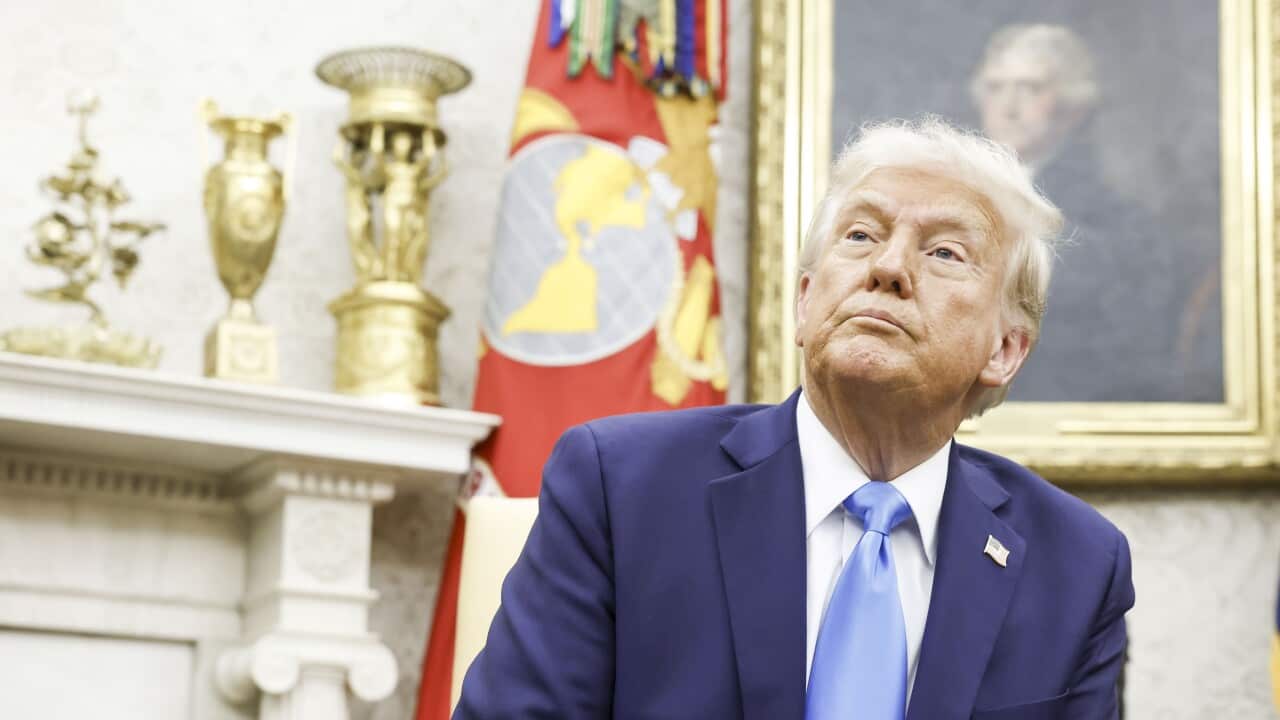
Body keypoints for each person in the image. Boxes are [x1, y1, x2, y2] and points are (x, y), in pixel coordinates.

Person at [455, 119, 1134, 719]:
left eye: (944, 252)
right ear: (806, 304)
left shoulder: (1077, 566)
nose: (888, 266)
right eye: (861, 235)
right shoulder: (619, 488)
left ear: (1005, 349)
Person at [971, 23, 1192, 401]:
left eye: (1030, 88)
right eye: (996, 88)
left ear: (1072, 109)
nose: (1008, 106)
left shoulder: (1119, 224)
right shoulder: (954, 191)